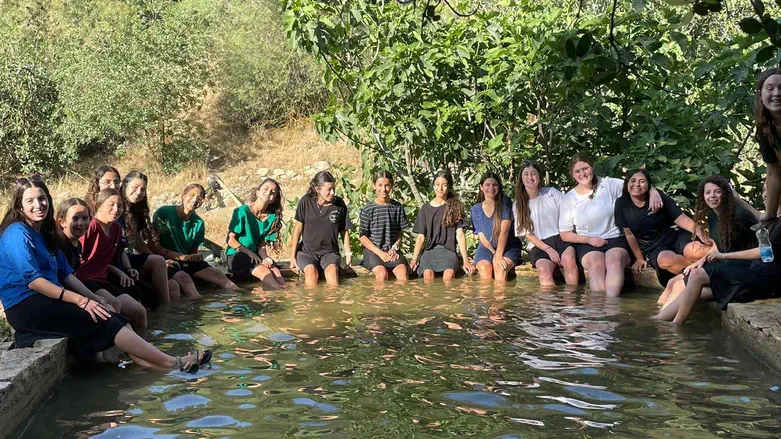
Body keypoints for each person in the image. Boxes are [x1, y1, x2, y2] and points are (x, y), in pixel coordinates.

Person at [0, 176, 211, 372]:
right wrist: (82, 301)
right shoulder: (17, 233)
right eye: (30, 201)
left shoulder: (43, 235)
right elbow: (34, 281)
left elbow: (67, 275)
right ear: (19, 205)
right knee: (104, 319)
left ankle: (158, 368)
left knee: (113, 315)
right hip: (27, 305)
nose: (38, 205)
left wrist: (95, 298)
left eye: (42, 198)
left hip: (49, 299)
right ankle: (173, 363)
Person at [559, 153, 663, 296]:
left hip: (616, 238)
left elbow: (636, 185)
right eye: (577, 171)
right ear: (572, 175)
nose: (583, 173)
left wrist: (654, 192)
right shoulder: (569, 198)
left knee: (614, 262)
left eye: (585, 168)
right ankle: (599, 306)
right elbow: (565, 234)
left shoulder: (609, 184)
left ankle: (611, 305)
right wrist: (589, 240)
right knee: (596, 265)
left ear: (592, 167)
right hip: (587, 242)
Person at [658, 215, 781, 324]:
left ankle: (676, 324)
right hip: (751, 272)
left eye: (768, 190)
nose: (765, 194)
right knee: (697, 288)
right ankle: (660, 320)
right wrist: (701, 260)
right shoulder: (771, 219)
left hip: (765, 278)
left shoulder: (772, 223)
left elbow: (764, 252)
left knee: (696, 275)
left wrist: (723, 255)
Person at [615, 169, 711, 286]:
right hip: (653, 247)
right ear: (627, 184)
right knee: (666, 260)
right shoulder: (621, 204)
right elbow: (629, 234)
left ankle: (728, 264)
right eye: (633, 181)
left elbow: (682, 219)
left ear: (648, 185)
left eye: (642, 181)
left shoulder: (658, 197)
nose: (637, 185)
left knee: (694, 251)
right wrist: (639, 258)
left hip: (674, 235)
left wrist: (702, 235)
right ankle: (707, 275)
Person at [76, 189, 153, 328]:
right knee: (115, 304)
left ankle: (142, 345)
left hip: (101, 279)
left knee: (140, 312)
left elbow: (102, 262)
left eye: (120, 206)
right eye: (111, 204)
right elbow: (79, 260)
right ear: (98, 205)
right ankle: (116, 344)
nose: (116, 209)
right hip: (85, 280)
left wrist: (121, 271)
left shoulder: (117, 229)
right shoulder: (91, 226)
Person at [120, 171, 196, 300]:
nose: (139, 192)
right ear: (124, 185)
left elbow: (138, 243)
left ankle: (170, 318)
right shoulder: (115, 209)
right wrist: (158, 261)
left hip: (132, 257)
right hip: (121, 260)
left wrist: (160, 261)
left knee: (173, 286)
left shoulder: (136, 212)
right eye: (135, 187)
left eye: (143, 189)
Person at [152, 183, 237, 291]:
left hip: (186, 261)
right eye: (192, 195)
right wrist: (179, 256)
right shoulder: (164, 213)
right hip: (165, 260)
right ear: (183, 195)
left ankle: (243, 298)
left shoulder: (198, 222)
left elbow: (193, 252)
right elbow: (153, 245)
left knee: (219, 276)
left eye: (199, 198)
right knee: (185, 280)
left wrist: (195, 256)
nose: (195, 199)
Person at [514, 161, 579, 286]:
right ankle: (549, 305)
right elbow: (527, 234)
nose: (530, 178)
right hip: (539, 245)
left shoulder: (551, 193)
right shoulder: (518, 205)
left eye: (534, 174)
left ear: (539, 177)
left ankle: (571, 302)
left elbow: (570, 213)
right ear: (521, 179)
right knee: (544, 271)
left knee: (569, 261)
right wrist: (548, 249)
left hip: (561, 239)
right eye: (526, 174)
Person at [55, 198, 123, 314]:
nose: (81, 223)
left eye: (85, 218)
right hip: (62, 298)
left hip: (76, 292)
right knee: (110, 310)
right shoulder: (60, 246)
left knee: (113, 307)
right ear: (62, 222)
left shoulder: (77, 244)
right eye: (75, 219)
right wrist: (93, 299)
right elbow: (67, 279)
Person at [289, 171, 352, 286]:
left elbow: (344, 231)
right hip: (307, 252)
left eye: (334, 188)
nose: (332, 193)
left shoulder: (339, 204)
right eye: (329, 189)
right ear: (318, 189)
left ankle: (333, 302)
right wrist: (292, 257)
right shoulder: (305, 202)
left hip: (330, 253)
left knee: (332, 273)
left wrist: (348, 254)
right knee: (311, 273)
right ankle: (311, 302)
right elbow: (297, 230)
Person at [410, 170, 474, 282]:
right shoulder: (425, 209)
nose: (440, 188)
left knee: (448, 276)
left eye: (444, 185)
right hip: (430, 251)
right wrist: (414, 259)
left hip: (449, 251)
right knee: (427, 275)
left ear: (449, 186)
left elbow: (460, 235)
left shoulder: (455, 206)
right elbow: (421, 237)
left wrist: (466, 260)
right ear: (433, 186)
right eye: (437, 184)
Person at [226, 178, 287, 290]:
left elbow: (261, 245)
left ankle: (286, 292)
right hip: (237, 254)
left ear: (274, 199)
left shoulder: (272, 217)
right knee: (264, 271)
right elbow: (230, 240)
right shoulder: (242, 211)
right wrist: (250, 253)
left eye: (273, 192)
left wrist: (265, 258)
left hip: (255, 256)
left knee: (275, 270)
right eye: (266, 188)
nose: (269, 192)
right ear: (257, 192)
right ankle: (280, 295)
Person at [358, 171, 411, 281]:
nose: (383, 189)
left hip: (391, 251)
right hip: (373, 251)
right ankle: (380, 299)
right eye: (380, 185)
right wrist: (380, 253)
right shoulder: (368, 209)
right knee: (382, 274)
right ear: (374, 186)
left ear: (391, 186)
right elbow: (363, 237)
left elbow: (399, 234)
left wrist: (394, 248)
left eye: (387, 185)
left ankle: (397, 298)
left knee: (403, 274)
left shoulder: (397, 207)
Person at [470, 172, 523, 281]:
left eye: (495, 185)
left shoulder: (505, 202)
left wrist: (499, 255)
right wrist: (494, 254)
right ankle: (487, 298)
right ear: (481, 187)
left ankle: (500, 297)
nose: (491, 188)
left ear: (499, 187)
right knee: (485, 269)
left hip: (509, 246)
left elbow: (504, 232)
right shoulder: (476, 209)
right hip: (486, 248)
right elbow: (482, 236)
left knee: (500, 268)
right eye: (487, 185)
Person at [755, 69, 781, 224]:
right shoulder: (766, 129)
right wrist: (769, 213)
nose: (777, 93)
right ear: (761, 94)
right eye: (770, 88)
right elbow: (773, 173)